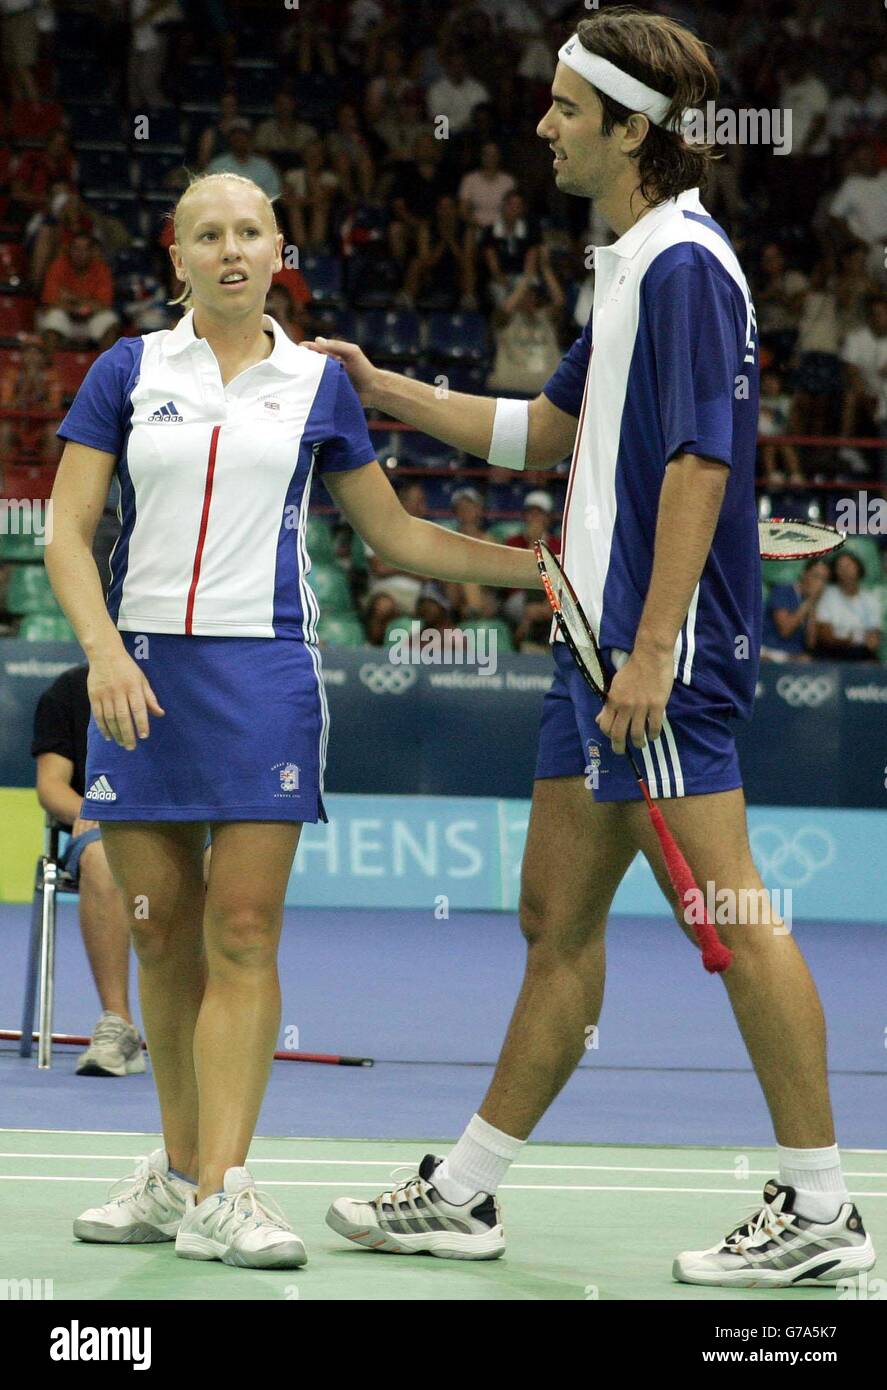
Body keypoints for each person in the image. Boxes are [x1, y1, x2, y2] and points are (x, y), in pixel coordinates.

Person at [309, 9, 876, 1287]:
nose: (544, 124)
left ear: (632, 130)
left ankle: (822, 1203)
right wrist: (380, 384)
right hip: (589, 647)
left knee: (726, 910)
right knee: (551, 918)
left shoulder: (684, 266)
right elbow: (544, 431)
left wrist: (653, 645)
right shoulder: (624, 267)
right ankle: (466, 1190)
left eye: (568, 108)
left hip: (645, 657)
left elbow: (700, 459)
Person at [44, 169, 539, 1270]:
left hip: (264, 676)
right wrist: (105, 654)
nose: (229, 249)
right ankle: (176, 1175)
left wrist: (531, 570)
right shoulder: (126, 370)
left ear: (279, 250)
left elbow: (397, 539)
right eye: (206, 234)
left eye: (249, 231)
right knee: (161, 928)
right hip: (137, 677)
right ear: (174, 257)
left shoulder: (317, 384)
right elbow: (68, 536)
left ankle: (227, 1182)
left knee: (243, 929)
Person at [31, 663, 152, 1075]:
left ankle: (209, 1024)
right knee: (102, 857)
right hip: (101, 827)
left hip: (181, 825)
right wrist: (92, 810)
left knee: (219, 863)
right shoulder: (67, 691)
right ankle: (119, 1026)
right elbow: (51, 785)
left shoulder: (186, 682)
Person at [813, 552, 881, 661]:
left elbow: (873, 638)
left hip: (861, 652)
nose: (845, 570)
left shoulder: (870, 599)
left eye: (848, 565)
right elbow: (825, 636)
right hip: (832, 652)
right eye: (840, 567)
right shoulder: (827, 595)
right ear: (835, 572)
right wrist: (849, 641)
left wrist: (870, 642)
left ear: (858, 568)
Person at [760, 558, 828, 662]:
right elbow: (785, 630)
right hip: (770, 650)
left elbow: (811, 642)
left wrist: (812, 605)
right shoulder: (783, 590)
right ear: (805, 574)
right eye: (816, 576)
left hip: (793, 654)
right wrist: (809, 602)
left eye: (824, 579)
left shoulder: (811, 601)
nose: (819, 583)